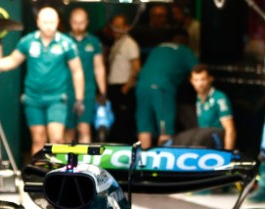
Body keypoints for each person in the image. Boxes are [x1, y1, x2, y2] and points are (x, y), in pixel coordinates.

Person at [0, 6, 83, 158]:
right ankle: (39, 177)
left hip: (56, 98)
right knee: (38, 139)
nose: (49, 25)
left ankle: (56, 177)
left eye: (52, 22)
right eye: (45, 22)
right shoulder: (27, 41)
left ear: (58, 22)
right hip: (33, 98)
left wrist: (79, 98)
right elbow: (12, 61)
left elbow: (77, 71)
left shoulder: (67, 43)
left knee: (57, 139)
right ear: (38, 22)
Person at [135, 31, 196, 149]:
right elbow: (198, 72)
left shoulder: (158, 48)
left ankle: (141, 164)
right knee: (166, 131)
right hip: (161, 88)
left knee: (144, 127)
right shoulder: (185, 51)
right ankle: (162, 164)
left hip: (141, 87)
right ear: (186, 42)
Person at [64, 7, 106, 144]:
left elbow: (99, 68)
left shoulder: (93, 42)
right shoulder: (63, 41)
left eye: (81, 22)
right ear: (70, 22)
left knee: (84, 128)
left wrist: (103, 92)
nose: (78, 26)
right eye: (75, 22)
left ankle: (84, 164)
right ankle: (67, 163)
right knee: (68, 130)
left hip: (88, 92)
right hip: (66, 91)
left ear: (87, 22)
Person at [172, 64, 235, 150]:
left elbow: (230, 129)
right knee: (180, 139)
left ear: (210, 79)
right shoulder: (198, 98)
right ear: (191, 81)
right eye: (196, 80)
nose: (200, 83)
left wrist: (228, 153)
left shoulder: (219, 98)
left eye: (203, 79)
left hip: (216, 137)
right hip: (202, 135)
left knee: (199, 137)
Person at [105, 13, 139, 144]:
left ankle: (124, 149)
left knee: (124, 121)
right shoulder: (116, 43)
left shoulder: (130, 43)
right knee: (115, 120)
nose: (116, 30)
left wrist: (127, 86)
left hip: (123, 87)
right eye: (114, 26)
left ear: (126, 27)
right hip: (114, 87)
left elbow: (136, 67)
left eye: (119, 26)